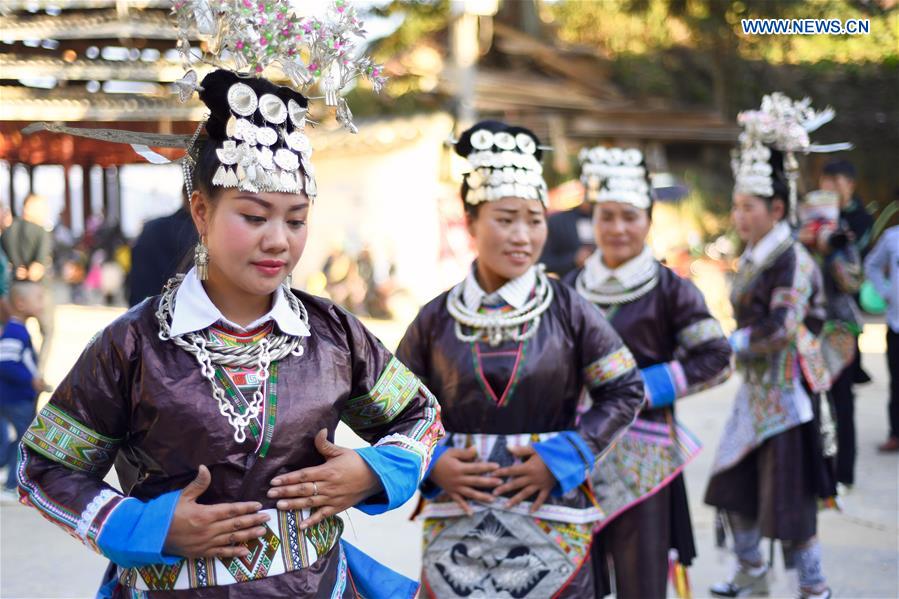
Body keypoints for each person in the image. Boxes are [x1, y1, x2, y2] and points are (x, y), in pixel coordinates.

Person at [16, 6, 444, 597]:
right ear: (201, 212)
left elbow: (421, 417)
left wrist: (368, 471)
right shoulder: (133, 344)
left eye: (296, 219)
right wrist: (153, 526)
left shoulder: (334, 334)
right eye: (253, 215)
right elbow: (45, 469)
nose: (278, 240)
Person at [396, 121, 645, 598]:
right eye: (506, 218)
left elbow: (624, 389)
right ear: (469, 223)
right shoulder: (435, 318)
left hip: (553, 516)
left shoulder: (569, 308)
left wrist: (564, 456)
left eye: (534, 219)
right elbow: (393, 408)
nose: (523, 236)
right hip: (458, 522)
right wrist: (433, 461)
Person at [567, 145, 733, 598]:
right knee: (580, 578)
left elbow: (717, 358)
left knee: (642, 583)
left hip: (648, 461)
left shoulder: (670, 290)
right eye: (607, 216)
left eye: (630, 216)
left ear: (648, 220)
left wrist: (638, 390)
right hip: (578, 457)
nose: (618, 228)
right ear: (592, 220)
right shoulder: (567, 289)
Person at [705, 93, 839, 599]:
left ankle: (813, 586)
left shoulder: (792, 260)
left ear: (776, 208)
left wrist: (728, 342)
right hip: (755, 391)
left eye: (748, 207)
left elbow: (781, 328)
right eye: (736, 206)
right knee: (732, 484)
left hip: (786, 397)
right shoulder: (758, 253)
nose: (738, 215)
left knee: (791, 502)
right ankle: (750, 571)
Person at [0, 281, 48, 502]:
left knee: (20, 438)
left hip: (18, 397)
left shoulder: (17, 329)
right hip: (16, 398)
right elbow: (6, 362)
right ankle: (11, 486)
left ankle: (7, 475)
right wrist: (31, 381)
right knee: (25, 441)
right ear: (20, 303)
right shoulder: (15, 330)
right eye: (38, 298)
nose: (43, 303)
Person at [0, 193, 54, 367]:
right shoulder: (40, 231)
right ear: (29, 207)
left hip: (13, 290)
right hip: (35, 291)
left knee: (13, 332)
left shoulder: (7, 232)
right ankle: (36, 371)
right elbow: (37, 270)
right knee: (47, 331)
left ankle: (14, 367)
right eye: (41, 207)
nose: (44, 212)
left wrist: (16, 271)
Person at [128, 194, 202, 307]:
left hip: (148, 311)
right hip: (194, 312)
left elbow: (138, 284)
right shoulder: (206, 234)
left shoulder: (151, 229)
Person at [865, 225, 899, 452]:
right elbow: (872, 265)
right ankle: (896, 433)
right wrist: (885, 290)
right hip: (897, 323)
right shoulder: (892, 237)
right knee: (897, 381)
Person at [539, 199, 595, 278]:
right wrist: (573, 259)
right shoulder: (558, 221)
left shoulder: (609, 222)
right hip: (569, 283)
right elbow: (544, 262)